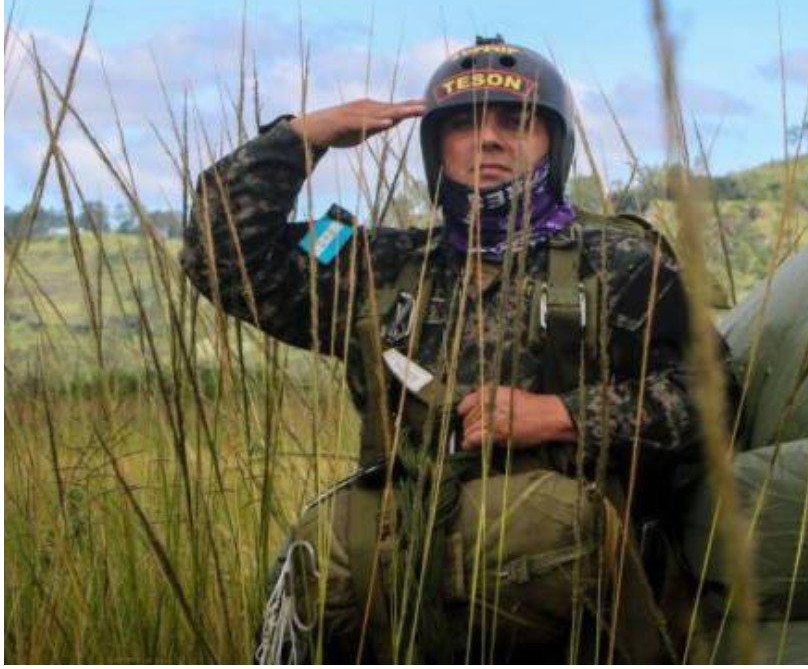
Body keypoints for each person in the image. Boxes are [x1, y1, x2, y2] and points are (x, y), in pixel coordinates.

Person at [181, 36, 715, 663]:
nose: (488, 139)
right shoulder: (378, 265)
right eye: (462, 123)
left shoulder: (622, 266)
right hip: (402, 601)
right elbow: (219, 258)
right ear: (436, 147)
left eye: (515, 121)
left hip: (572, 615)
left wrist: (563, 414)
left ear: (554, 141)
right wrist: (303, 136)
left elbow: (711, 398)